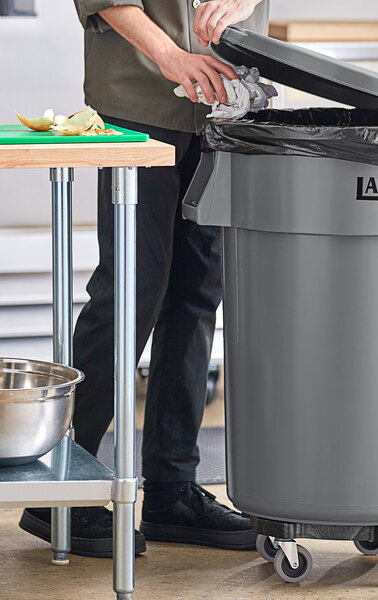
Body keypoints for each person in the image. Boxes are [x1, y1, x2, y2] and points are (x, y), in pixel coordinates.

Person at [20, 0, 269, 558]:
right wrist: (169, 55)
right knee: (133, 287)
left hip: (225, 99)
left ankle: (171, 489)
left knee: (199, 290)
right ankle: (62, 486)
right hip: (140, 94)